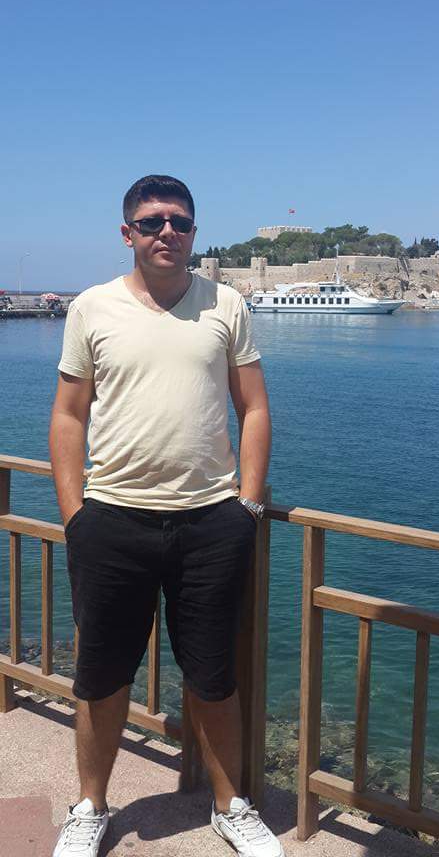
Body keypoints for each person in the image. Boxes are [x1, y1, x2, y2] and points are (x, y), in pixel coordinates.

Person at [49, 175, 282, 857]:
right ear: (128, 233)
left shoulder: (226, 304)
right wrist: (75, 515)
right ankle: (90, 806)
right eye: (151, 222)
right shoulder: (91, 308)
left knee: (213, 676)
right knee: (101, 677)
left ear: (194, 232)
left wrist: (248, 505)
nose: (167, 232)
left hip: (211, 523)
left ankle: (230, 805)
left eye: (179, 221)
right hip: (112, 521)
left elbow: (254, 407)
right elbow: (68, 415)